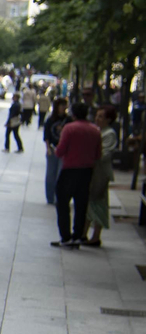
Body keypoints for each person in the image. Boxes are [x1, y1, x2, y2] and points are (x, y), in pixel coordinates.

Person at [53, 101, 99, 247]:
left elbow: (60, 151)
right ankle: (78, 235)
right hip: (87, 171)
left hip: (70, 169)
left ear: (73, 114)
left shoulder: (69, 128)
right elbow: (98, 154)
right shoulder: (95, 130)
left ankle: (65, 236)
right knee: (81, 204)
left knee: (62, 203)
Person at [86, 105, 120, 246]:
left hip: (100, 174)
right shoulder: (98, 131)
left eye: (100, 116)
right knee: (90, 203)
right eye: (97, 115)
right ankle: (84, 234)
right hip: (94, 172)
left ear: (108, 119)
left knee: (98, 203)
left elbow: (104, 154)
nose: (97, 119)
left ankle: (95, 236)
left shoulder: (109, 134)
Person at [42, 96, 70, 205]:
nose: (63, 108)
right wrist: (48, 148)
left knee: (60, 175)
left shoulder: (68, 120)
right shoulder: (50, 120)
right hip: (53, 149)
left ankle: (59, 197)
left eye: (65, 105)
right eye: (62, 105)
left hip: (64, 150)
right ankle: (50, 197)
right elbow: (47, 136)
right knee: (50, 175)